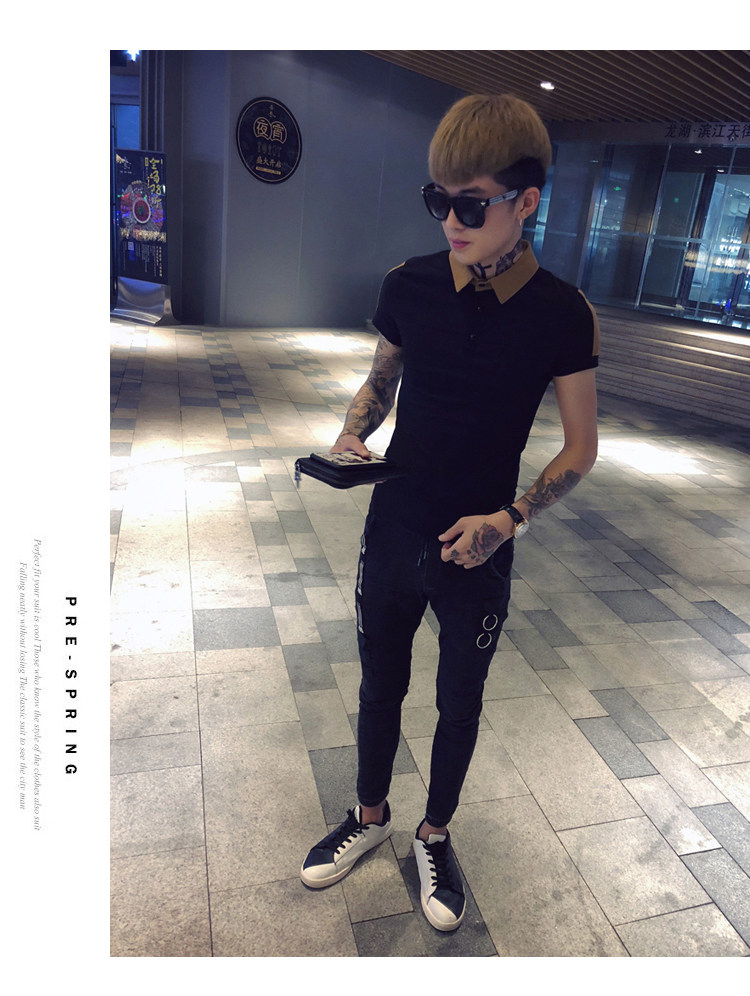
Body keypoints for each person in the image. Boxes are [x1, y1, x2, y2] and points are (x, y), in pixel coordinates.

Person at [300, 93, 599, 932]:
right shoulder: (411, 283)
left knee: (460, 700)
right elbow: (381, 380)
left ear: (526, 201)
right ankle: (368, 817)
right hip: (395, 522)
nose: (450, 222)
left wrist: (509, 519)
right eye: (439, 200)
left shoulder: (563, 314)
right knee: (380, 683)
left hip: (481, 545)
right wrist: (353, 431)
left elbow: (580, 448)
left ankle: (435, 834)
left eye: (471, 205)